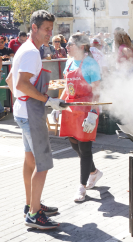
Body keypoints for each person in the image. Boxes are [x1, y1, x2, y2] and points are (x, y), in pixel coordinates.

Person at [5, 10, 65, 230]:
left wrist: (19, 103)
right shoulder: (31, 52)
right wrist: (47, 100)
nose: (50, 33)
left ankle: (32, 203)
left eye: (51, 29)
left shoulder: (24, 49)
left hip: (22, 110)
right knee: (43, 164)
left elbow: (10, 79)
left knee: (30, 160)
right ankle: (33, 214)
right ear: (34, 27)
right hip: (31, 112)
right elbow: (21, 84)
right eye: (46, 29)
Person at [53, 32, 103, 202]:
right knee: (74, 144)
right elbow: (68, 88)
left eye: (70, 45)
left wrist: (93, 114)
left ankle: (82, 187)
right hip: (70, 109)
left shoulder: (90, 64)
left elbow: (97, 90)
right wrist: (59, 105)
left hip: (86, 109)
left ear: (81, 46)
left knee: (85, 148)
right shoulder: (68, 62)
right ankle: (94, 172)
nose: (66, 47)